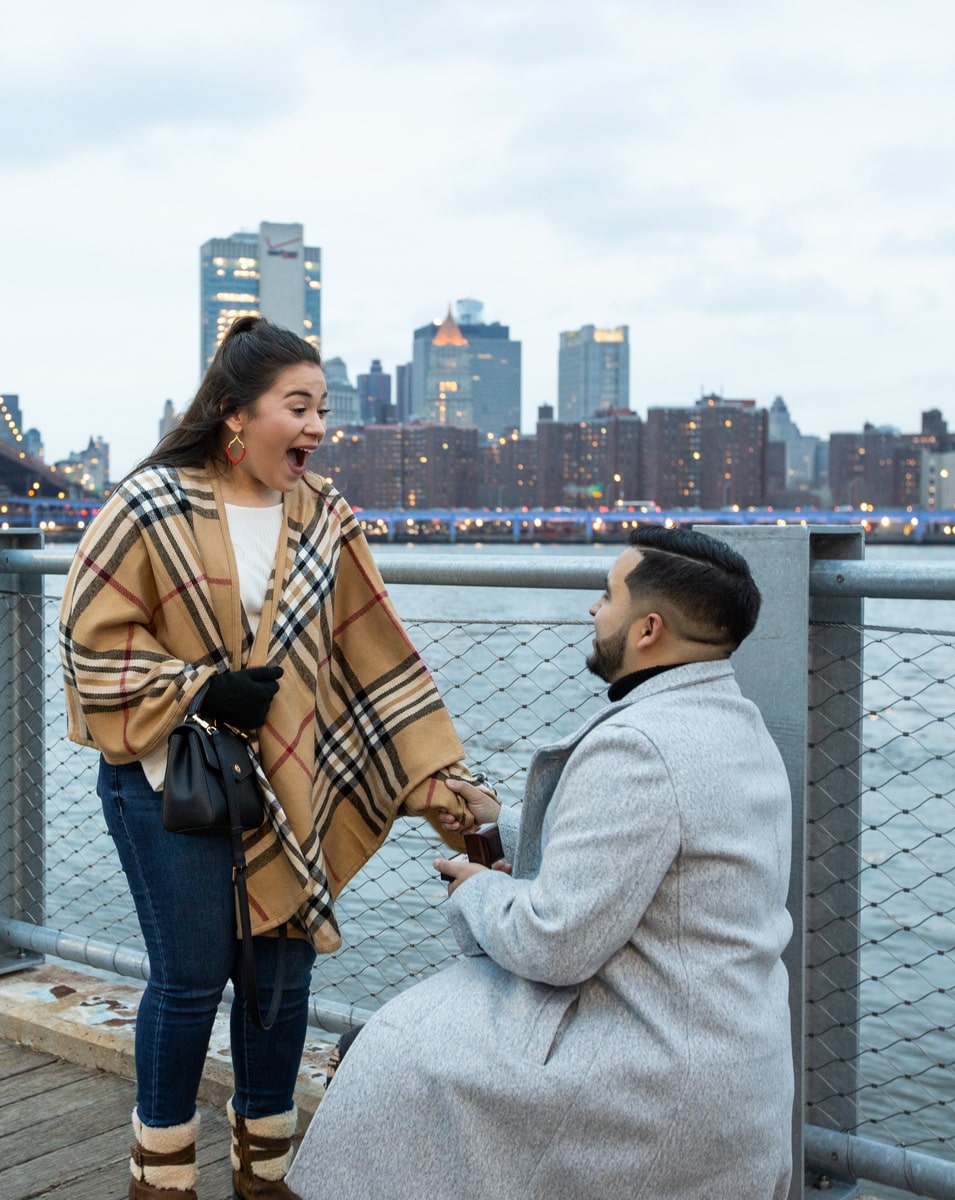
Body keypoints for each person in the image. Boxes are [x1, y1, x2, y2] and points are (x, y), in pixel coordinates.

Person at [58, 316, 489, 1200]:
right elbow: (88, 638)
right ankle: (163, 1178)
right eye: (298, 406)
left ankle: (268, 1176)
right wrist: (202, 690)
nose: (317, 428)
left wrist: (435, 778)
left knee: (282, 976)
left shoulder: (324, 514)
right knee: (189, 982)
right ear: (234, 412)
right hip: (167, 783)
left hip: (290, 785)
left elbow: (373, 649)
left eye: (322, 409)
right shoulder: (150, 505)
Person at [289, 527, 795, 1200]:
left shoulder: (639, 746)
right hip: (718, 1055)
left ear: (647, 629)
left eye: (606, 595)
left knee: (390, 1053)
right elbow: (638, 849)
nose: (593, 610)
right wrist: (501, 822)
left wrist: (472, 890)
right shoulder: (734, 724)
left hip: (649, 1074)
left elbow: (556, 943)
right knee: (399, 1048)